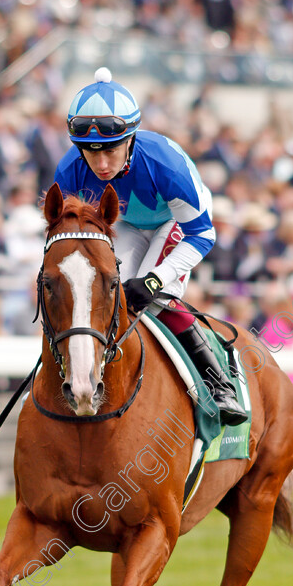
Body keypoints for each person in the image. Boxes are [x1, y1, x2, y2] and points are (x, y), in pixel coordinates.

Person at [54, 68, 247, 425]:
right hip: (126, 222)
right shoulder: (68, 171)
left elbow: (203, 235)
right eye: (90, 153)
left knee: (149, 297)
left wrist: (155, 280)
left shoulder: (164, 164)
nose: (101, 165)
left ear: (130, 138)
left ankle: (219, 381)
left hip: (176, 222)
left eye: (111, 150)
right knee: (108, 293)